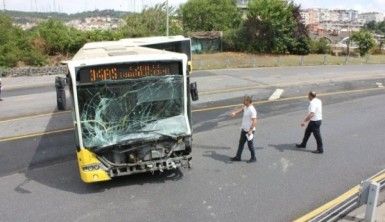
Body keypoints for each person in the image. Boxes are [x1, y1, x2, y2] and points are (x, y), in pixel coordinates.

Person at [230, 96, 257, 163]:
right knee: (241, 143)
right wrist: (235, 113)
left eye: (245, 101)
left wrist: (250, 130)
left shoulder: (252, 110)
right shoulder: (246, 106)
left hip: (249, 131)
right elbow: (242, 109)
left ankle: (253, 158)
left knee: (250, 145)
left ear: (248, 101)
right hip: (244, 129)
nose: (243, 102)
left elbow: (255, 121)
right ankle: (238, 157)